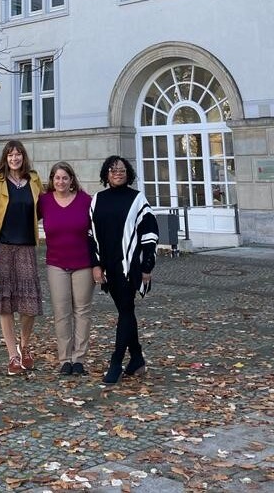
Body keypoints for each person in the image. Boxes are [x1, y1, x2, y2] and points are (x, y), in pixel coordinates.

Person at [89, 155, 159, 385]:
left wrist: (147, 265)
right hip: (109, 266)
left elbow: (150, 233)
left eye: (121, 170)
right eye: (112, 170)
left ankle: (116, 361)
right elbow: (91, 236)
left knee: (126, 310)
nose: (117, 173)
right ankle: (137, 358)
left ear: (128, 173)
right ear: (106, 174)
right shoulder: (97, 199)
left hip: (132, 266)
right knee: (125, 311)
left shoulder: (137, 199)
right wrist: (96, 265)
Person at [0, 139, 43, 375]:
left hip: (26, 246)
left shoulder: (34, 179)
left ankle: (24, 345)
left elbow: (44, 207)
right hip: (3, 246)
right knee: (5, 304)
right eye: (10, 155)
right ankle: (12, 356)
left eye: (18, 154)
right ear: (5, 158)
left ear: (23, 157)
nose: (14, 158)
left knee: (29, 305)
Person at [38, 161, 93, 377]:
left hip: (83, 263)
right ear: (52, 180)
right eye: (56, 178)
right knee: (62, 312)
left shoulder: (85, 200)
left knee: (82, 311)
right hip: (56, 264)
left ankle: (79, 358)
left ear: (72, 180)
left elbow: (98, 228)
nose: (60, 181)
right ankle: (65, 359)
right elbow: (21, 215)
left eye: (64, 178)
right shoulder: (44, 201)